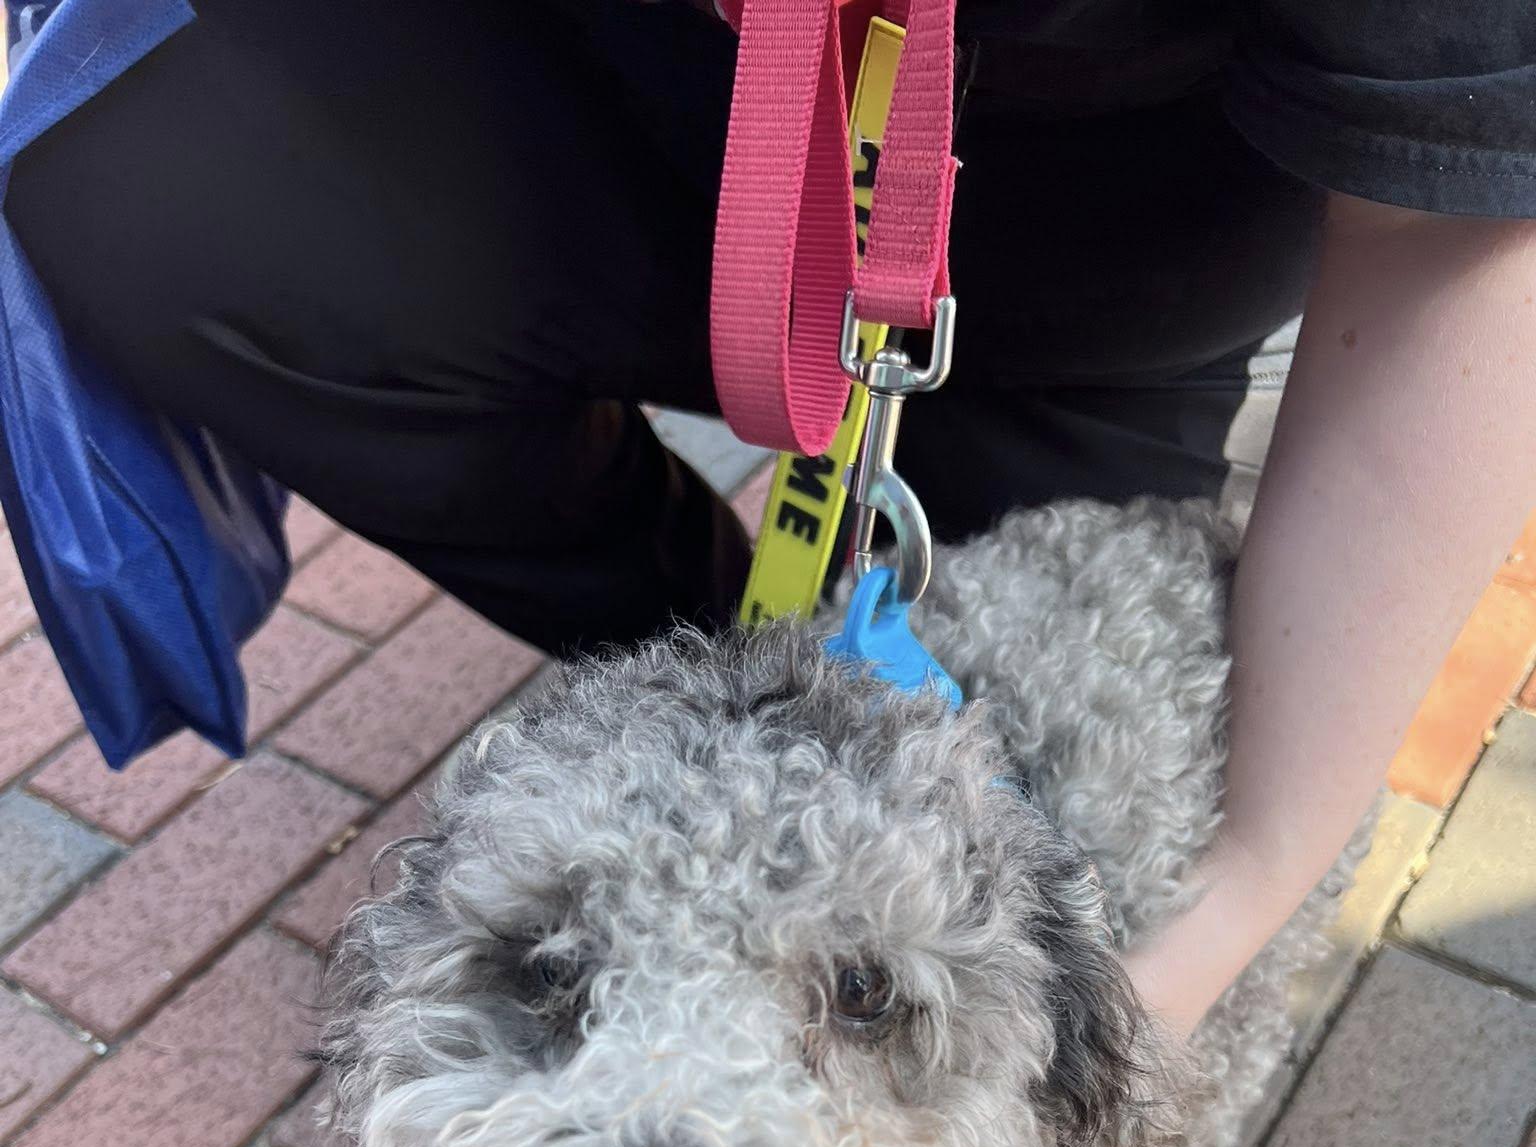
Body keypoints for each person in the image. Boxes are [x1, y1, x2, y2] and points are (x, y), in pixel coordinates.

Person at [8, 0, 1534, 1033]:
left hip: (1101, 230)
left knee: (1041, 821)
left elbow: (1456, 238)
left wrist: (1249, 880)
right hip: (617, 105)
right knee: (147, 180)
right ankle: (693, 656)